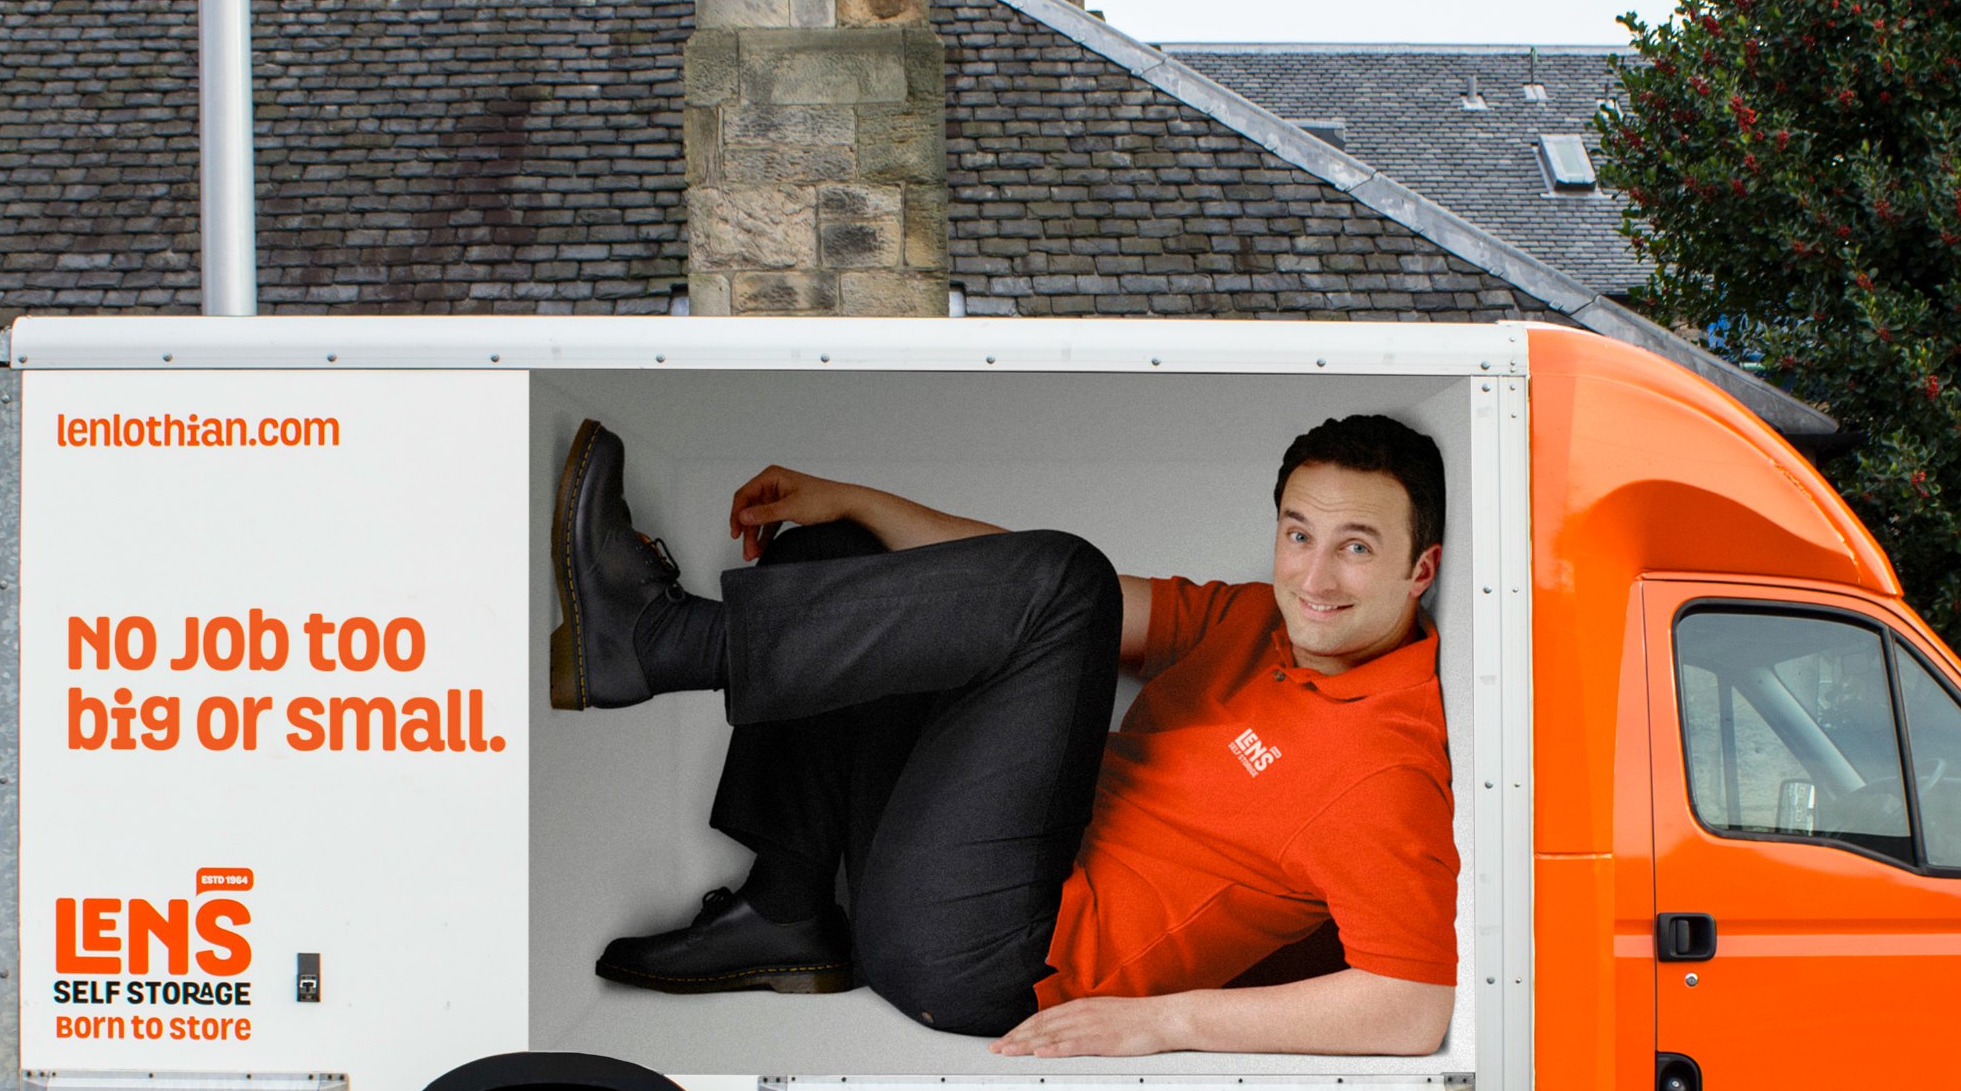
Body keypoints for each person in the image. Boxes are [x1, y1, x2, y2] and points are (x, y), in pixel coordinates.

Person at [550, 412, 1458, 1058]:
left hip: (996, 962)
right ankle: (786, 908)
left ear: (1421, 569)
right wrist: (859, 500)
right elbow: (997, 590)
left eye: (1357, 546)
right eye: (1300, 534)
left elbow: (1411, 1003)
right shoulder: (1254, 621)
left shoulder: (1389, 764)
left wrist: (1162, 1023)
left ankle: (659, 642)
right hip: (977, 875)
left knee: (1068, 580)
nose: (1315, 576)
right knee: (843, 558)